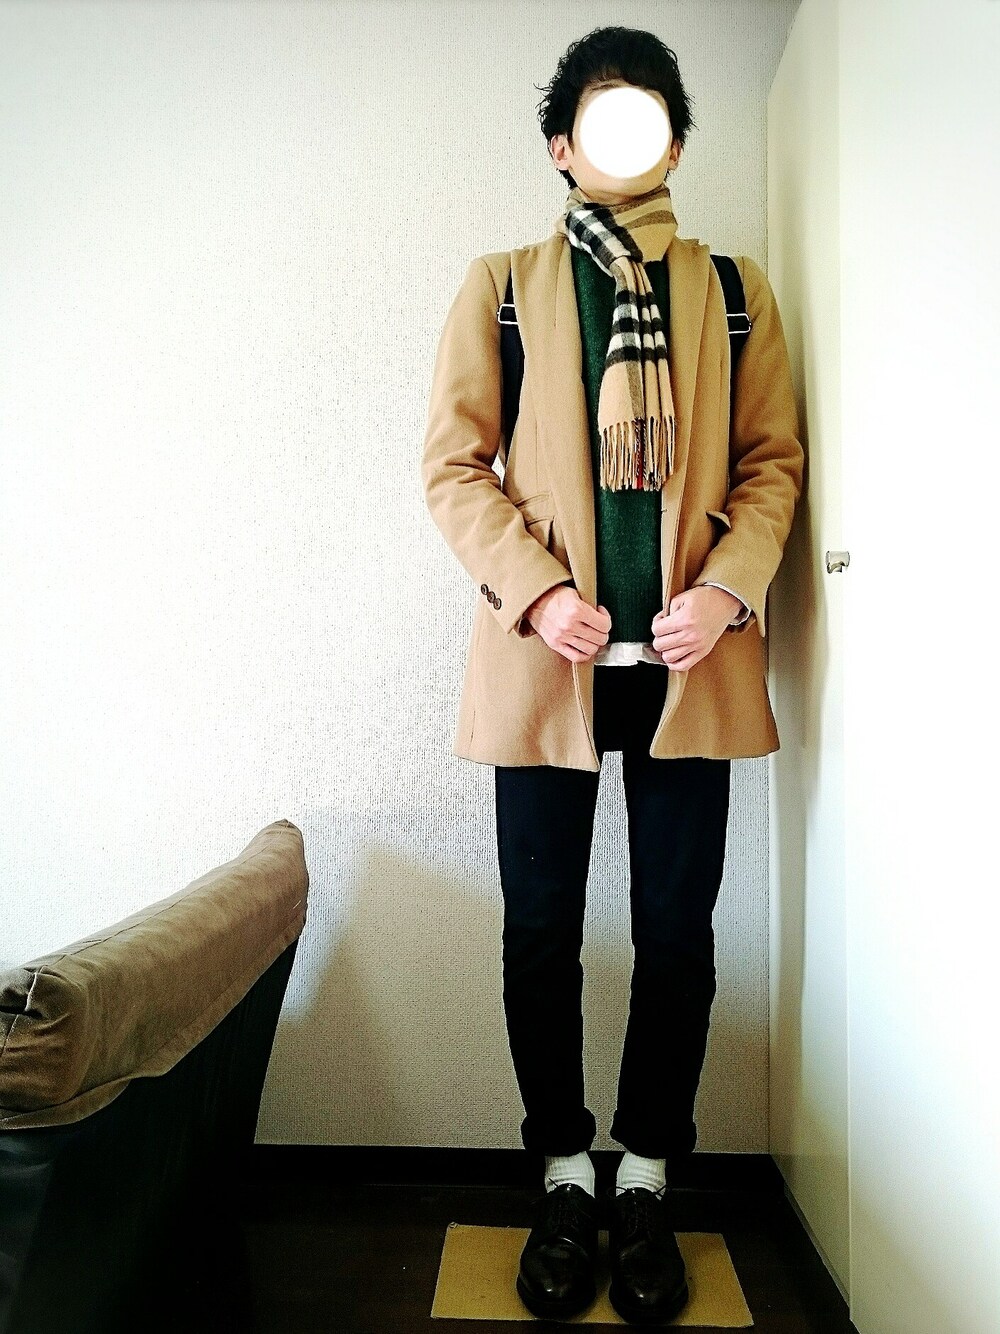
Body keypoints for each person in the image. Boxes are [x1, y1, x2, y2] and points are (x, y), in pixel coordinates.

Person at [421, 24, 803, 1325]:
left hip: (691, 666)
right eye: (600, 118)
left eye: (651, 119)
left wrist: (728, 588)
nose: (627, 140)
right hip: (548, 669)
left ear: (675, 146)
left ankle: (645, 1177)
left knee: (675, 934)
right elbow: (453, 468)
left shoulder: (733, 290)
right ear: (561, 147)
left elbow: (771, 464)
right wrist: (536, 590)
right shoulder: (503, 287)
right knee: (540, 931)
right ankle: (562, 1175)